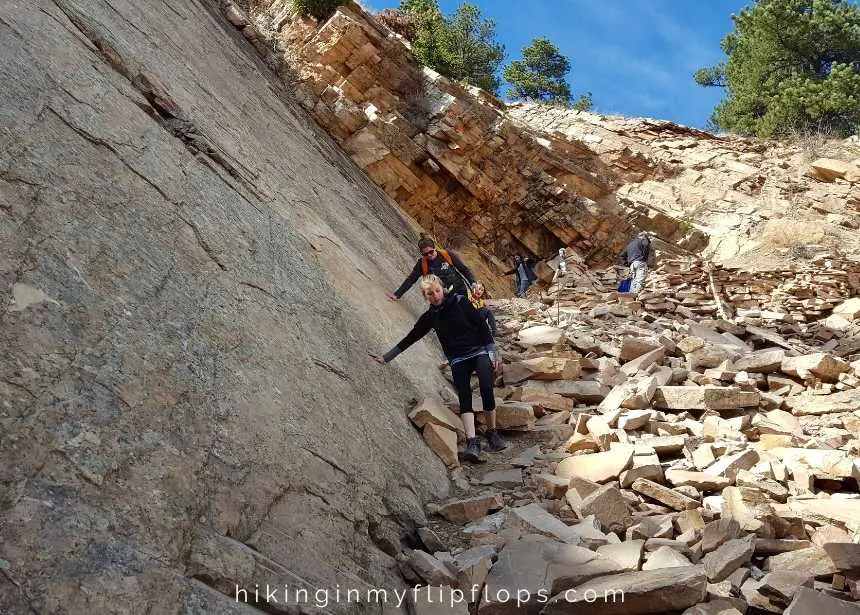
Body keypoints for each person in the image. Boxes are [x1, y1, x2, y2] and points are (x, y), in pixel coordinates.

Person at [370, 275, 506, 462]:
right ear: (425, 296)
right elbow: (411, 338)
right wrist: (386, 357)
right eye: (429, 293)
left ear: (442, 288)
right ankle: (472, 442)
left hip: (479, 351)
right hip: (458, 358)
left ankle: (492, 433)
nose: (435, 295)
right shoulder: (430, 317)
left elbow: (481, 325)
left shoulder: (460, 302)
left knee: (486, 387)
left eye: (436, 291)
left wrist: (491, 351)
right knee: (464, 395)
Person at [388, 237, 475, 301]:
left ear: (434, 248)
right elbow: (411, 280)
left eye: (431, 252)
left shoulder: (447, 254)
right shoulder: (422, 264)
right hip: (441, 296)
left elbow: (463, 269)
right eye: (425, 254)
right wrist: (397, 295)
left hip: (460, 289)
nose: (429, 255)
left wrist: (473, 282)